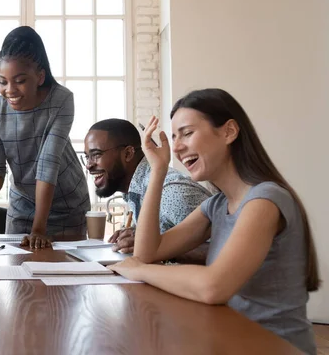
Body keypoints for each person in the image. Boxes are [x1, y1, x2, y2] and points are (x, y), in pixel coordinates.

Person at [109, 88, 319, 354]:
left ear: (229, 132)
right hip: (231, 338)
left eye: (187, 133)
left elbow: (213, 286)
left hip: (273, 346)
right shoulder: (216, 205)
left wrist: (137, 270)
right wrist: (158, 169)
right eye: (174, 137)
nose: (177, 146)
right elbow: (147, 252)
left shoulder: (265, 200)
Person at [0, 26, 90, 249]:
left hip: (67, 205)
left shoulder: (61, 100)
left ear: (40, 76)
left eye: (19, 80)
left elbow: (47, 164)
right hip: (22, 206)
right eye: (2, 81)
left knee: (65, 275)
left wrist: (39, 229)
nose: (10, 89)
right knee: (19, 275)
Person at [84, 119, 211, 263]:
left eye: (96, 155)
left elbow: (228, 249)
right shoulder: (134, 191)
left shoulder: (171, 193)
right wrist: (137, 234)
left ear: (128, 154)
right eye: (87, 157)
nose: (88, 165)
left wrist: (153, 246)